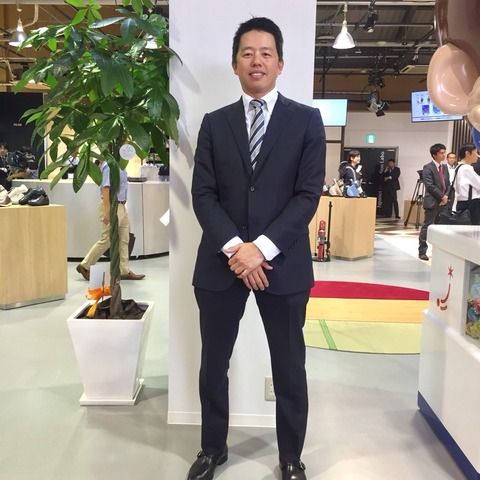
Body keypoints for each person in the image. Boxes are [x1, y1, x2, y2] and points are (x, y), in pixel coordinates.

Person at [189, 17, 326, 480]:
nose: (257, 60)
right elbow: (203, 194)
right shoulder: (214, 123)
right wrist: (237, 250)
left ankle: (290, 457)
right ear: (235, 64)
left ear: (280, 63)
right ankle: (212, 448)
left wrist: (260, 249)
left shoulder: (306, 121)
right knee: (213, 364)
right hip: (221, 264)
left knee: (289, 366)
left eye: (266, 53)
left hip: (283, 265)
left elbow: (307, 196)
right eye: (247, 53)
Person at [76, 159, 145, 281]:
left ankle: (124, 270)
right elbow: (106, 188)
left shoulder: (121, 165)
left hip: (121, 205)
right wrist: (108, 211)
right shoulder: (109, 165)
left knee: (124, 239)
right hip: (111, 205)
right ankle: (84, 265)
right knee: (107, 239)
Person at [418, 143, 450, 261]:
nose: (444, 155)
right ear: (434, 155)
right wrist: (442, 197)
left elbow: (448, 184)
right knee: (427, 226)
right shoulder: (428, 167)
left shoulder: (444, 167)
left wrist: (446, 196)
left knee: (440, 228)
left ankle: (438, 251)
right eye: (441, 153)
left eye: (444, 152)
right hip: (432, 202)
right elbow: (429, 185)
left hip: (444, 202)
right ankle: (422, 251)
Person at [453, 143, 480, 224]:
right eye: (476, 152)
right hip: (471, 204)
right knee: (473, 229)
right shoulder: (466, 168)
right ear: (467, 153)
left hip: (462, 202)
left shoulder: (458, 167)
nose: (478, 156)